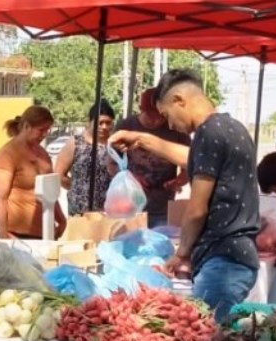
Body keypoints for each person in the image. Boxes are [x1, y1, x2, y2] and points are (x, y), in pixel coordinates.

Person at [152, 69, 259, 321]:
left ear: (180, 99)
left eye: (167, 115)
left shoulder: (207, 133)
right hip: (238, 256)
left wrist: (181, 254)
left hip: (223, 261)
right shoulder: (234, 127)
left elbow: (197, 207)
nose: (170, 125)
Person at [112, 88, 191, 228]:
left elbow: (190, 163)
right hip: (131, 206)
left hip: (163, 207)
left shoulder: (176, 129)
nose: (157, 121)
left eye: (161, 117)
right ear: (141, 109)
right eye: (151, 116)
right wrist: (128, 180)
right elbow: (111, 163)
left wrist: (179, 181)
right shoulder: (126, 126)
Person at [0, 106, 66, 239]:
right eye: (41, 130)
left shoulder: (43, 154)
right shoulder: (6, 155)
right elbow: (0, 200)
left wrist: (61, 220)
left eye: (47, 130)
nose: (44, 135)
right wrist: (3, 235)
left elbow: (50, 193)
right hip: (16, 234)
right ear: (26, 126)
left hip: (45, 233)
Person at [55, 100, 115, 215]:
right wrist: (78, 188)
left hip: (109, 210)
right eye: (100, 122)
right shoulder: (75, 143)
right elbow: (59, 174)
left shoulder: (115, 144)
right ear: (89, 122)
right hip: (80, 210)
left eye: (108, 123)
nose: (104, 127)